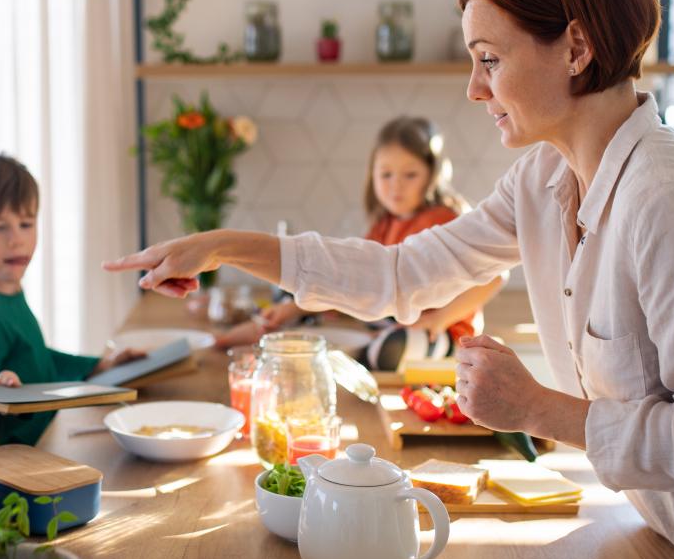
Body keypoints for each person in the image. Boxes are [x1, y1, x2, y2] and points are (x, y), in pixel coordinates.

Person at [104, 0, 674, 559]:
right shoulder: (543, 180)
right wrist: (227, 246)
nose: (474, 89)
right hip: (673, 539)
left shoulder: (670, 202)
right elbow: (403, 274)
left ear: (576, 49)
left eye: (489, 60)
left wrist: (539, 409)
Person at [214, 117, 505, 370]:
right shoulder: (383, 224)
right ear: (372, 176)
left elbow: (494, 275)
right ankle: (268, 334)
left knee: (389, 348)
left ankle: (340, 356)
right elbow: (355, 285)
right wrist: (297, 309)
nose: (396, 185)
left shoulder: (447, 219)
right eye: (386, 174)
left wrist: (440, 319)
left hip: (440, 334)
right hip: (389, 321)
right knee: (291, 297)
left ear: (432, 174)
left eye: (410, 175)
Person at [0, 151, 143, 446]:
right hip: (19, 463)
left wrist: (100, 364)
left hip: (50, 438)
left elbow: (36, 358)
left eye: (26, 224)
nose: (17, 239)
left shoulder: (7, 292)